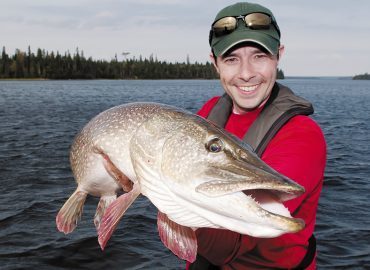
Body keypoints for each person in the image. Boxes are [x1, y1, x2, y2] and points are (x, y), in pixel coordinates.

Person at [186, 2, 326, 269]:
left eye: (259, 56)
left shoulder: (303, 135)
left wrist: (155, 181)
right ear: (215, 63)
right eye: (231, 59)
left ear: (278, 55)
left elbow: (227, 245)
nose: (246, 73)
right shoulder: (209, 112)